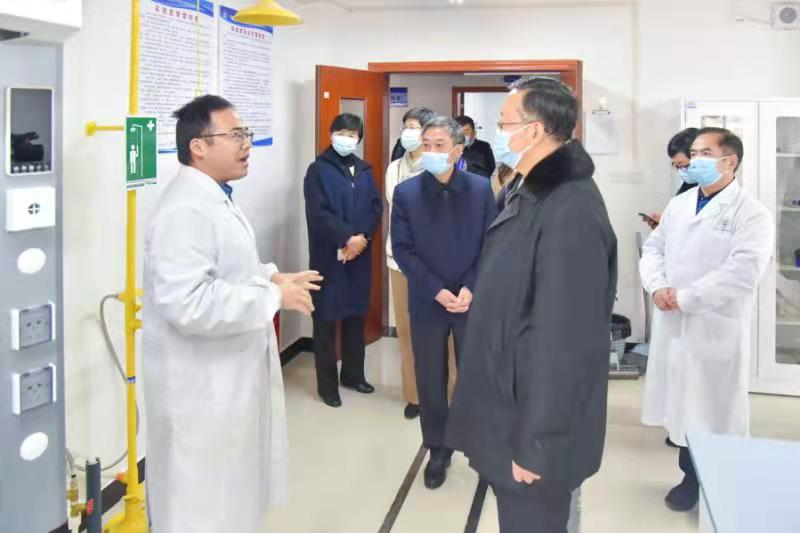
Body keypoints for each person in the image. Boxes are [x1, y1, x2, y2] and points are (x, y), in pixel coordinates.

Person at [142, 95, 321, 533]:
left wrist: (272, 277)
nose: (247, 144)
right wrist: (272, 297)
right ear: (198, 146)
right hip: (201, 390)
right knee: (201, 507)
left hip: (225, 382)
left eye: (247, 134)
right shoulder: (184, 210)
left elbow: (229, 267)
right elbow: (188, 303)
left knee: (229, 498)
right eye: (236, 134)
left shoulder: (214, 197)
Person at [447, 77, 618, 533]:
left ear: (536, 130)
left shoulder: (570, 208)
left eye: (504, 123)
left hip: (535, 431)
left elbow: (565, 342)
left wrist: (538, 445)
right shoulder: (527, 189)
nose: (497, 132)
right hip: (510, 403)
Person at [639, 127, 774, 512]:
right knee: (684, 407)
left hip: (715, 326)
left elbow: (741, 272)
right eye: (693, 153)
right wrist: (657, 286)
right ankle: (690, 477)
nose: (694, 161)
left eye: (704, 154)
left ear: (729, 162)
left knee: (714, 409)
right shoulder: (681, 204)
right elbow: (654, 249)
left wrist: (684, 297)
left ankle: (718, 482)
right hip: (675, 322)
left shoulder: (752, 213)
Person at [391, 116, 497, 490]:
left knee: (475, 377)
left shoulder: (480, 189)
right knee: (431, 379)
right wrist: (436, 290)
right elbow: (402, 249)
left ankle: (481, 448)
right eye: (427, 145)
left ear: (457, 150)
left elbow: (491, 243)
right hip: (428, 299)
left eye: (440, 145)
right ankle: (437, 449)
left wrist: (470, 286)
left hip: (471, 300)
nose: (431, 152)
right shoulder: (407, 193)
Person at [304, 113, 383, 408]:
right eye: (342, 133)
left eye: (352, 134)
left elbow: (375, 207)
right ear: (331, 134)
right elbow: (318, 212)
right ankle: (327, 386)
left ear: (358, 138)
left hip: (358, 256)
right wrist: (346, 237)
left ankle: (353, 375)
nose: (347, 139)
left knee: (355, 316)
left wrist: (362, 238)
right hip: (329, 256)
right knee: (325, 319)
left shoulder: (364, 170)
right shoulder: (318, 170)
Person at [386, 106, 458, 421]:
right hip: (400, 262)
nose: (410, 132)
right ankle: (414, 395)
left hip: (438, 264)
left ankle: (452, 396)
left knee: (448, 336)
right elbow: (398, 209)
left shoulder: (445, 168)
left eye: (416, 126)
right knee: (407, 332)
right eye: (407, 126)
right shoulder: (394, 169)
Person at [642, 127, 700, 229]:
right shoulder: (686, 189)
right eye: (676, 166)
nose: (681, 171)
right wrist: (663, 225)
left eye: (683, 165)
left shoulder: (715, 193)